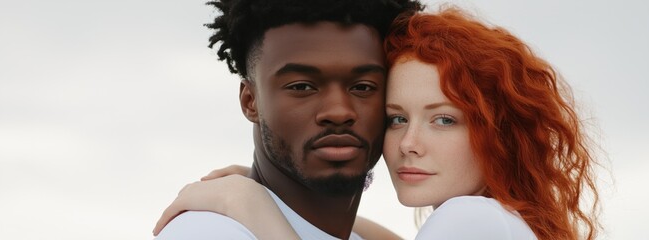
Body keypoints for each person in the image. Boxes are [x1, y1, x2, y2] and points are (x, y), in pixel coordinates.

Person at [156, 6, 602, 240]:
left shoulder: (473, 219)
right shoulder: (501, 221)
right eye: (396, 119)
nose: (409, 143)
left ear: (497, 132)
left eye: (444, 119)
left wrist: (250, 204)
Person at [153, 0, 424, 239]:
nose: (339, 112)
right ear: (251, 101)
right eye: (302, 87)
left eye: (363, 87)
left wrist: (251, 199)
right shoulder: (210, 233)